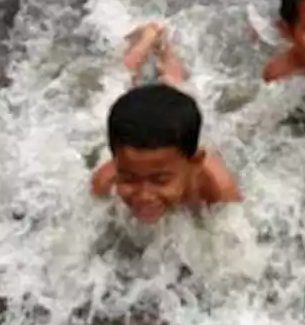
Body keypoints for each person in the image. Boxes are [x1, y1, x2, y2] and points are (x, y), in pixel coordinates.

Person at [91, 23, 241, 223]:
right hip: (153, 139)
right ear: (116, 163)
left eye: (160, 180)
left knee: (175, 84)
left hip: (180, 135)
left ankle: (165, 44)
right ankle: (146, 38)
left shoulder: (217, 189)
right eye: (128, 178)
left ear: (195, 163)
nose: (144, 196)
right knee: (119, 81)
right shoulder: (105, 182)